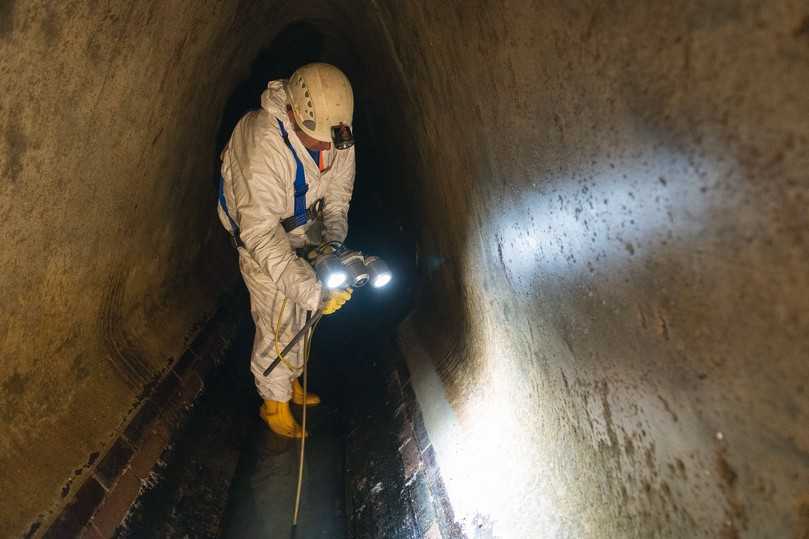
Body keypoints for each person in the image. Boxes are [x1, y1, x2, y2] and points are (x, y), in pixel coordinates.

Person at [217, 63, 356, 438]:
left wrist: (332, 246)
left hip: (304, 231)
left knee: (304, 319)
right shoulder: (262, 143)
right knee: (278, 321)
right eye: (318, 141)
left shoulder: (336, 132)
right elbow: (261, 233)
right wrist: (313, 290)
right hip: (262, 242)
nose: (328, 148)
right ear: (293, 112)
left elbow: (338, 200)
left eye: (334, 139)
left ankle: (289, 382)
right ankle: (273, 403)